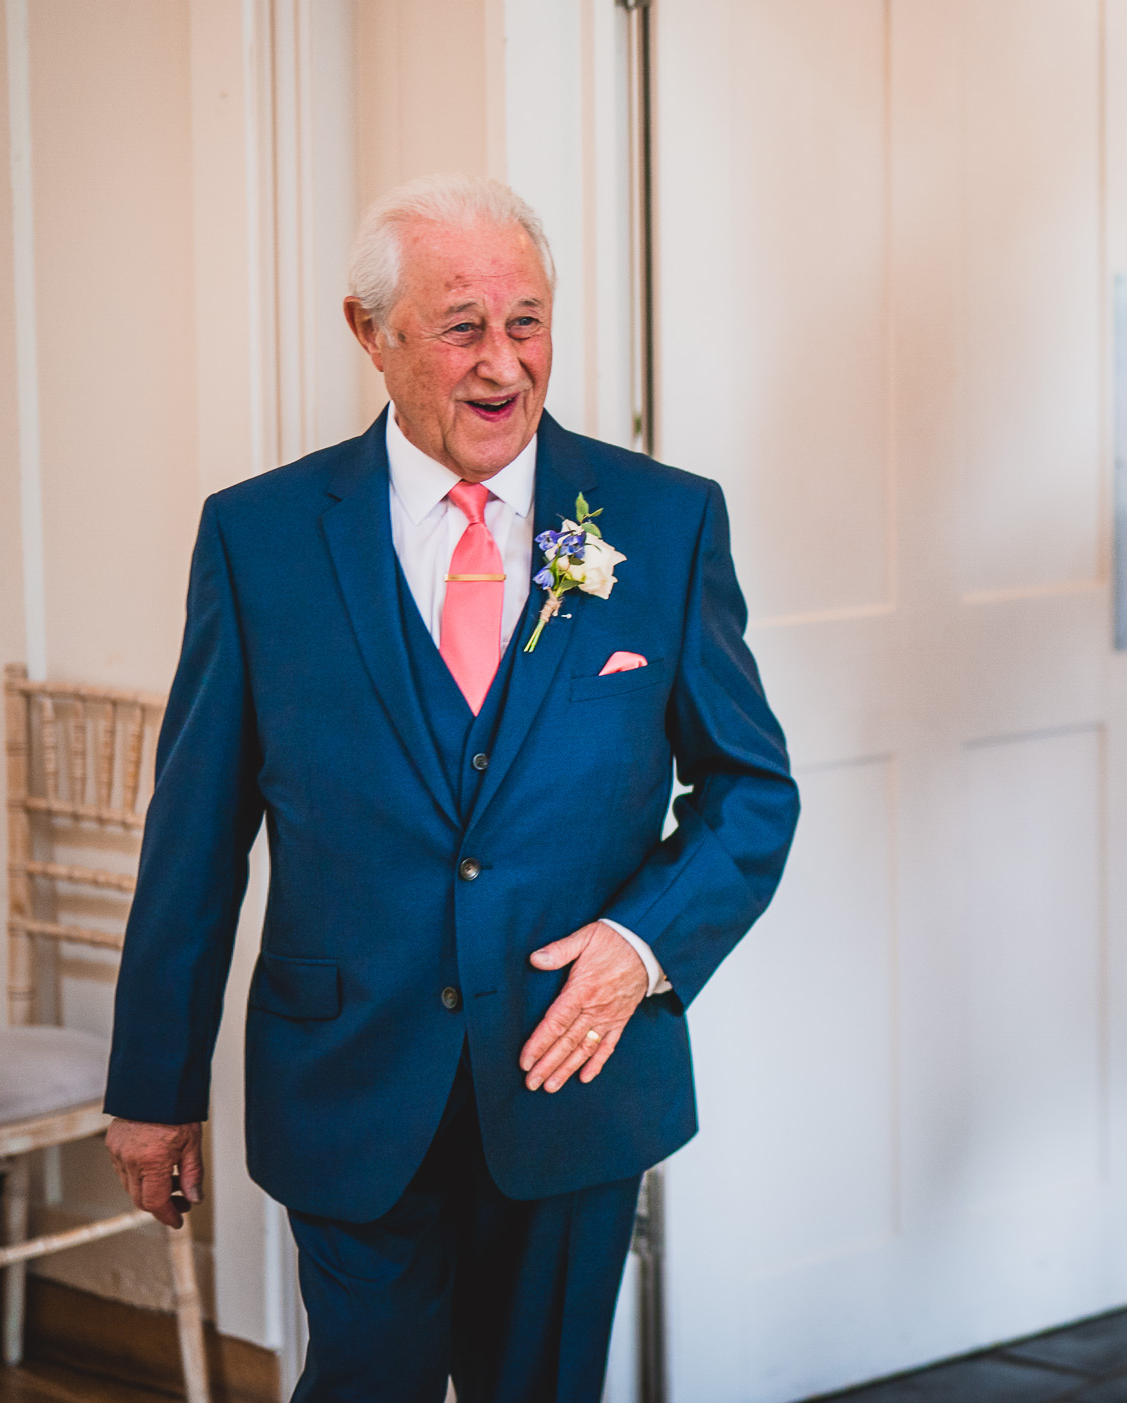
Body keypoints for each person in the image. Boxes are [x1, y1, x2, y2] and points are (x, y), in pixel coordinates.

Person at [98, 173, 801, 1400]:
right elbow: (196, 836)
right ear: (369, 333)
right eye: (462, 325)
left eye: (525, 320)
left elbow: (751, 789)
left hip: (575, 1080)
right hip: (349, 1081)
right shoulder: (259, 539)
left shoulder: (663, 519)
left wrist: (642, 942)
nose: (504, 363)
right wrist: (154, 1090)